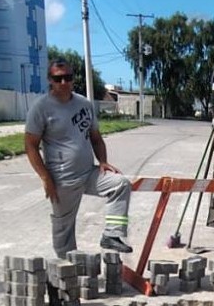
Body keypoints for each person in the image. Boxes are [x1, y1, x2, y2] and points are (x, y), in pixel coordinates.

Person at [25, 60, 133, 258]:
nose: (64, 82)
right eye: (58, 78)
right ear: (50, 80)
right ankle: (67, 272)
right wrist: (45, 178)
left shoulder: (84, 104)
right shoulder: (41, 108)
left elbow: (96, 138)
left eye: (68, 77)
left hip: (88, 173)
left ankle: (112, 235)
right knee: (63, 230)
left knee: (120, 184)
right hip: (62, 180)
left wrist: (102, 161)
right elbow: (30, 146)